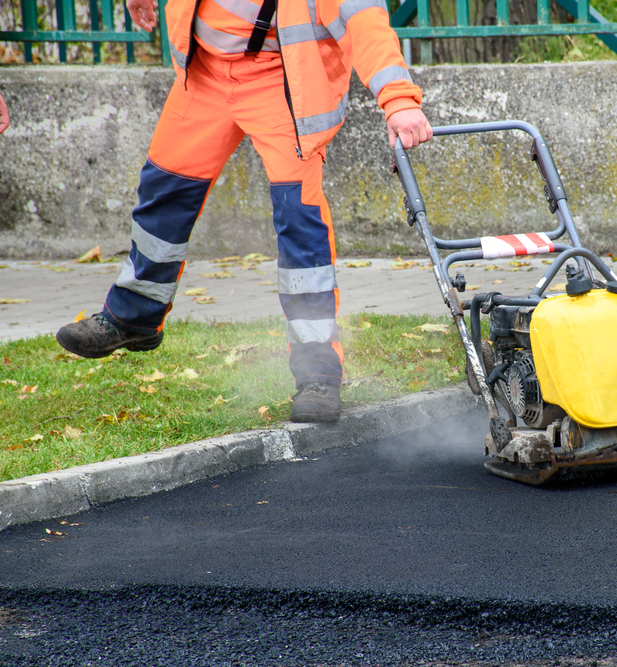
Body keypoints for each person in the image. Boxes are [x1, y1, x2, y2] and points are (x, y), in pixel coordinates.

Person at [56, 0, 432, 424]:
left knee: (300, 222)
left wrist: (398, 99)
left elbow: (365, 20)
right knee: (164, 190)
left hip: (279, 80)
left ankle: (318, 374)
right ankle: (134, 316)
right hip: (206, 72)